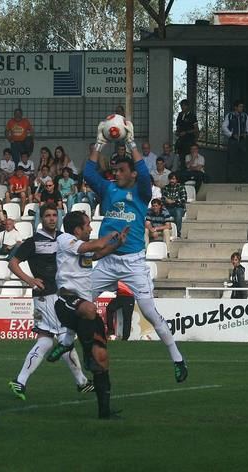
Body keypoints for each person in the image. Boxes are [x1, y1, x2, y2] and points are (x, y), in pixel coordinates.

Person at [84, 117, 188, 383]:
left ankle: (178, 358)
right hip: (107, 260)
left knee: (150, 312)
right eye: (115, 170)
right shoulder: (108, 189)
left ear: (131, 174)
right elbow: (88, 173)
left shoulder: (141, 193)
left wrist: (131, 141)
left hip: (132, 262)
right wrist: (99, 143)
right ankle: (66, 343)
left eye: (120, 171)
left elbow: (143, 172)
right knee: (82, 301)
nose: (115, 173)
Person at [7, 203, 94, 401]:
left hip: (58, 294)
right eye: (47, 215)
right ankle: (82, 382)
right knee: (64, 337)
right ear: (41, 218)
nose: (52, 219)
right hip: (48, 295)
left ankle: (20, 381)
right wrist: (29, 280)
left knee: (46, 339)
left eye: (55, 215)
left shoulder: (64, 238)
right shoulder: (34, 241)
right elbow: (12, 263)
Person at [52, 211, 129, 419]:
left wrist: (117, 245)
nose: (90, 228)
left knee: (101, 359)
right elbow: (90, 247)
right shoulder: (65, 239)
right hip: (67, 301)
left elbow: (95, 254)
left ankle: (104, 411)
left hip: (84, 307)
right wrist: (110, 235)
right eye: (87, 225)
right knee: (90, 309)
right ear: (77, 229)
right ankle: (67, 342)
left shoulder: (80, 247)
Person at [222, 99, 248, 183]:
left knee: (242, 160)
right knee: (231, 160)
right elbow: (224, 127)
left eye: (242, 107)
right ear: (235, 107)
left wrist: (246, 133)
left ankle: (242, 178)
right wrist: (231, 134)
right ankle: (230, 178)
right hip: (233, 140)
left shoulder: (245, 116)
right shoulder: (230, 115)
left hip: (242, 141)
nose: (241, 108)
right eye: (240, 106)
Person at [162, 172, 187, 239]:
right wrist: (167, 201)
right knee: (162, 212)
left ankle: (178, 234)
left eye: (173, 179)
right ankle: (164, 232)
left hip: (179, 208)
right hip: (168, 208)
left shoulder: (181, 187)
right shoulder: (166, 188)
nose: (172, 181)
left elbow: (183, 200)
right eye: (170, 179)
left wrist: (173, 201)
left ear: (177, 180)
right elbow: (163, 199)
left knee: (178, 213)